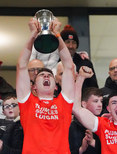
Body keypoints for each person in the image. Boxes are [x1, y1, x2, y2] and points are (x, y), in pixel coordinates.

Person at [16, 17, 75, 153]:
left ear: (56, 86)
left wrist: (57, 35)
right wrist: (32, 35)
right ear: (34, 87)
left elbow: (69, 67)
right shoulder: (27, 102)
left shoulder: (64, 102)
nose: (46, 76)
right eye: (41, 75)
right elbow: (22, 66)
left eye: (49, 75)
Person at [69, 78, 102, 154]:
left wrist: (94, 143)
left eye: (101, 101)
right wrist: (81, 149)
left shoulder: (103, 123)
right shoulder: (73, 127)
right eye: (95, 101)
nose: (100, 105)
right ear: (84, 104)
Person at [61, 25, 98, 90]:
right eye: (67, 42)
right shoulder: (55, 61)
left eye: (74, 43)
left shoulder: (85, 62)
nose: (71, 46)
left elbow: (93, 87)